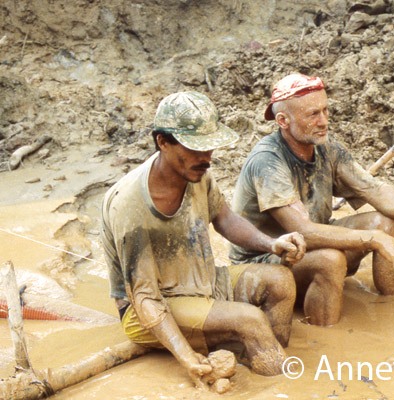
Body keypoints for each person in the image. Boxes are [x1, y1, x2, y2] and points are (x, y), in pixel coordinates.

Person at [101, 91, 306, 387]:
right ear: (162, 142)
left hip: (202, 282)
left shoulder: (197, 174)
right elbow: (144, 297)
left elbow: (225, 219)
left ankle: (264, 357)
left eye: (209, 147)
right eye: (195, 148)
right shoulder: (130, 204)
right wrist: (185, 356)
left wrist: (271, 244)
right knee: (250, 320)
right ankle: (282, 382)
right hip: (149, 308)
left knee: (282, 281)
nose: (206, 157)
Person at [230, 74, 394, 326]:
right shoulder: (267, 161)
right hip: (262, 263)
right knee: (331, 259)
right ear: (283, 121)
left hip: (308, 249)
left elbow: (377, 191)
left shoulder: (327, 148)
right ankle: (324, 333)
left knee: (386, 224)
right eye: (312, 114)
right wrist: (373, 239)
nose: (323, 121)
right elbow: (303, 232)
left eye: (325, 110)